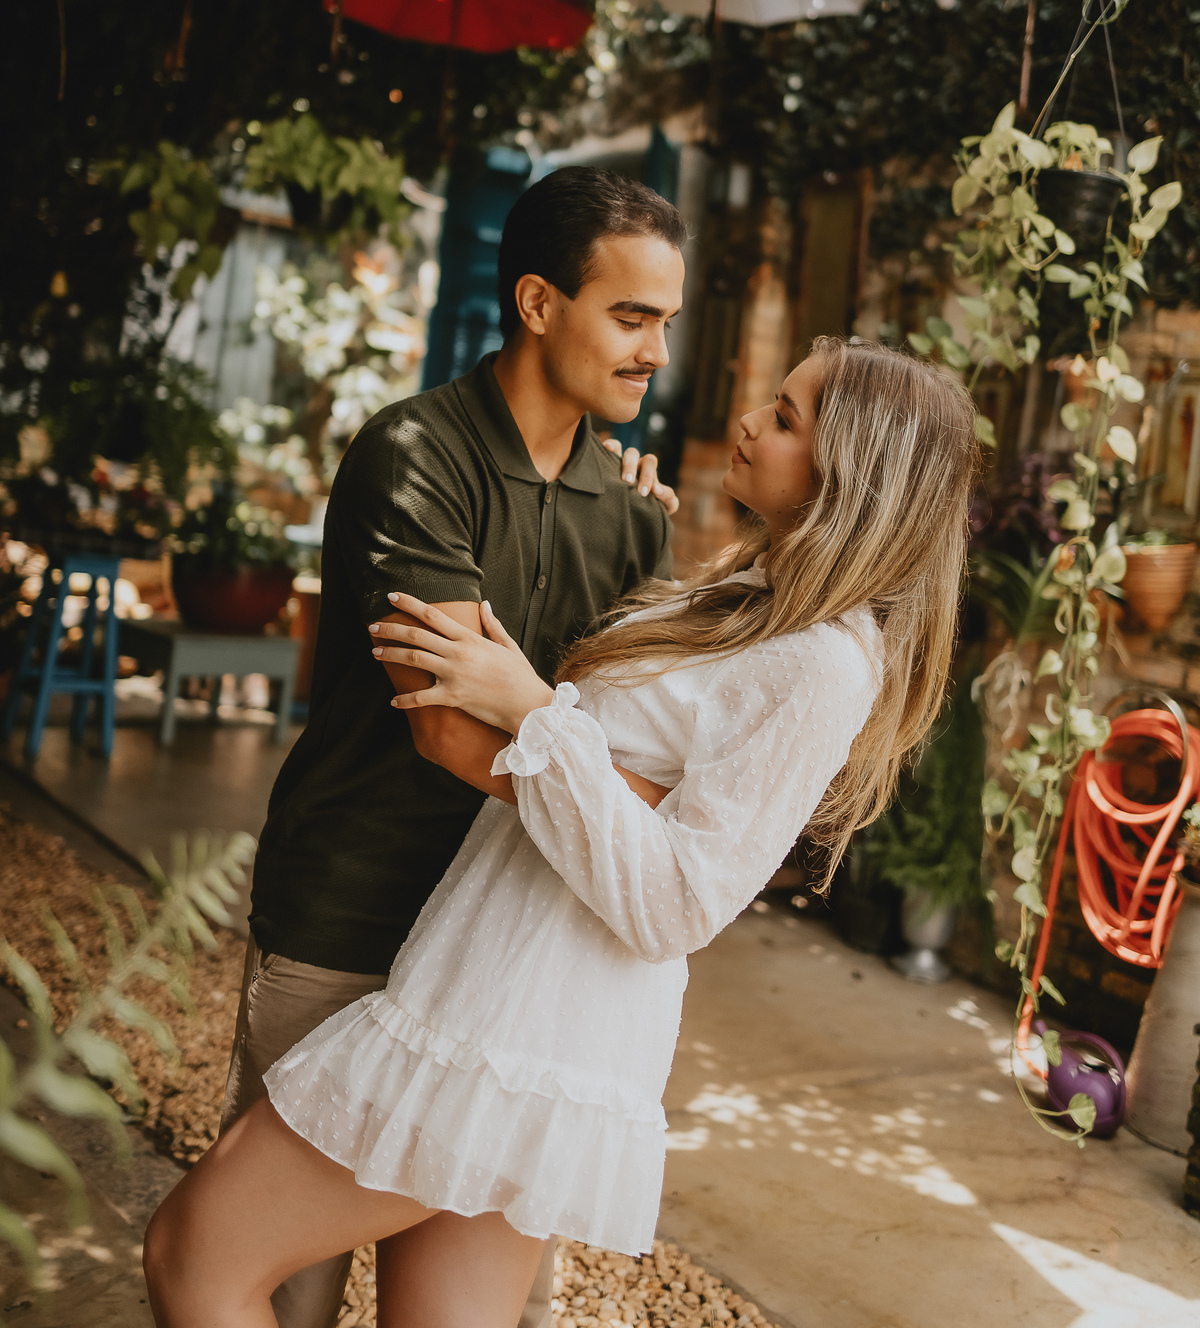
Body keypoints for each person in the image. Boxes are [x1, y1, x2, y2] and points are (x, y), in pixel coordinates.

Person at [145, 337, 979, 1328]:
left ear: (853, 479)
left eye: (787, 418)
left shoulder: (824, 665)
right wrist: (618, 532)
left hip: (524, 1022)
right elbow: (640, 762)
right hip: (495, 993)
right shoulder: (747, 597)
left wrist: (534, 710)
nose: (751, 420)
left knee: (194, 1255)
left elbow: (679, 903)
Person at [217, 166, 688, 1328]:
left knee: (478, 1307)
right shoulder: (417, 453)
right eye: (632, 317)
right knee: (277, 1288)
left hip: (506, 963)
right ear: (538, 304)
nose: (656, 354)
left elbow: (647, 744)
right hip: (354, 924)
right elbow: (441, 722)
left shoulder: (636, 516)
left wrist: (607, 784)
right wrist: (608, 806)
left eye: (666, 324)